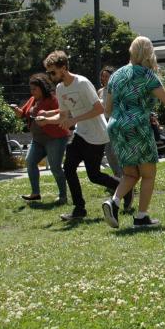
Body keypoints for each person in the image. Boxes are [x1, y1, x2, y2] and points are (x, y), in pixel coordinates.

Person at [102, 37, 165, 228]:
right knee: (148, 173)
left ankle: (114, 202)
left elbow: (107, 108)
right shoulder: (147, 75)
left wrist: (123, 116)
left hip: (116, 125)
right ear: (149, 53)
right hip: (137, 126)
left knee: (130, 174)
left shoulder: (116, 75)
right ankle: (142, 217)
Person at [39, 51, 122, 221]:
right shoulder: (60, 89)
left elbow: (100, 109)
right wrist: (46, 120)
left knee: (94, 176)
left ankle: (122, 188)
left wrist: (74, 119)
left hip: (98, 134)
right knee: (68, 168)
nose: (50, 76)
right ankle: (79, 209)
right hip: (80, 133)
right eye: (48, 73)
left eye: (52, 72)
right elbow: (63, 117)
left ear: (63, 68)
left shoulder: (82, 83)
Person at [12, 73, 70, 203]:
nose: (32, 92)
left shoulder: (53, 99)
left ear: (42, 88)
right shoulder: (33, 100)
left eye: (35, 89)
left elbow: (62, 112)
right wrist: (18, 112)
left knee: (55, 167)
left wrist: (46, 117)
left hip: (54, 138)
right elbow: (24, 114)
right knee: (30, 162)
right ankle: (35, 193)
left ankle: (63, 196)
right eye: (31, 89)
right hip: (38, 140)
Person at [98, 66, 123, 177]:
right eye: (102, 76)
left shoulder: (117, 89)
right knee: (109, 153)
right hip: (104, 122)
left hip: (115, 121)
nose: (104, 78)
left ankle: (124, 177)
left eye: (107, 76)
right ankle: (118, 176)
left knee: (114, 151)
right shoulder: (100, 91)